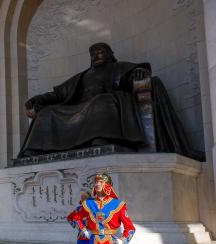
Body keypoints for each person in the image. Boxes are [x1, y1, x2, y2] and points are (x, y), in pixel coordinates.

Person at [19, 42, 202, 160]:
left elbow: (134, 75)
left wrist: (139, 73)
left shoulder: (118, 67)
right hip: (77, 109)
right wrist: (39, 99)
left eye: (100, 51)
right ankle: (35, 150)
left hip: (105, 103)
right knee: (47, 112)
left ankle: (101, 139)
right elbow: (58, 95)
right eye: (93, 53)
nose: (96, 55)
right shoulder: (82, 76)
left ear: (109, 54)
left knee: (102, 101)